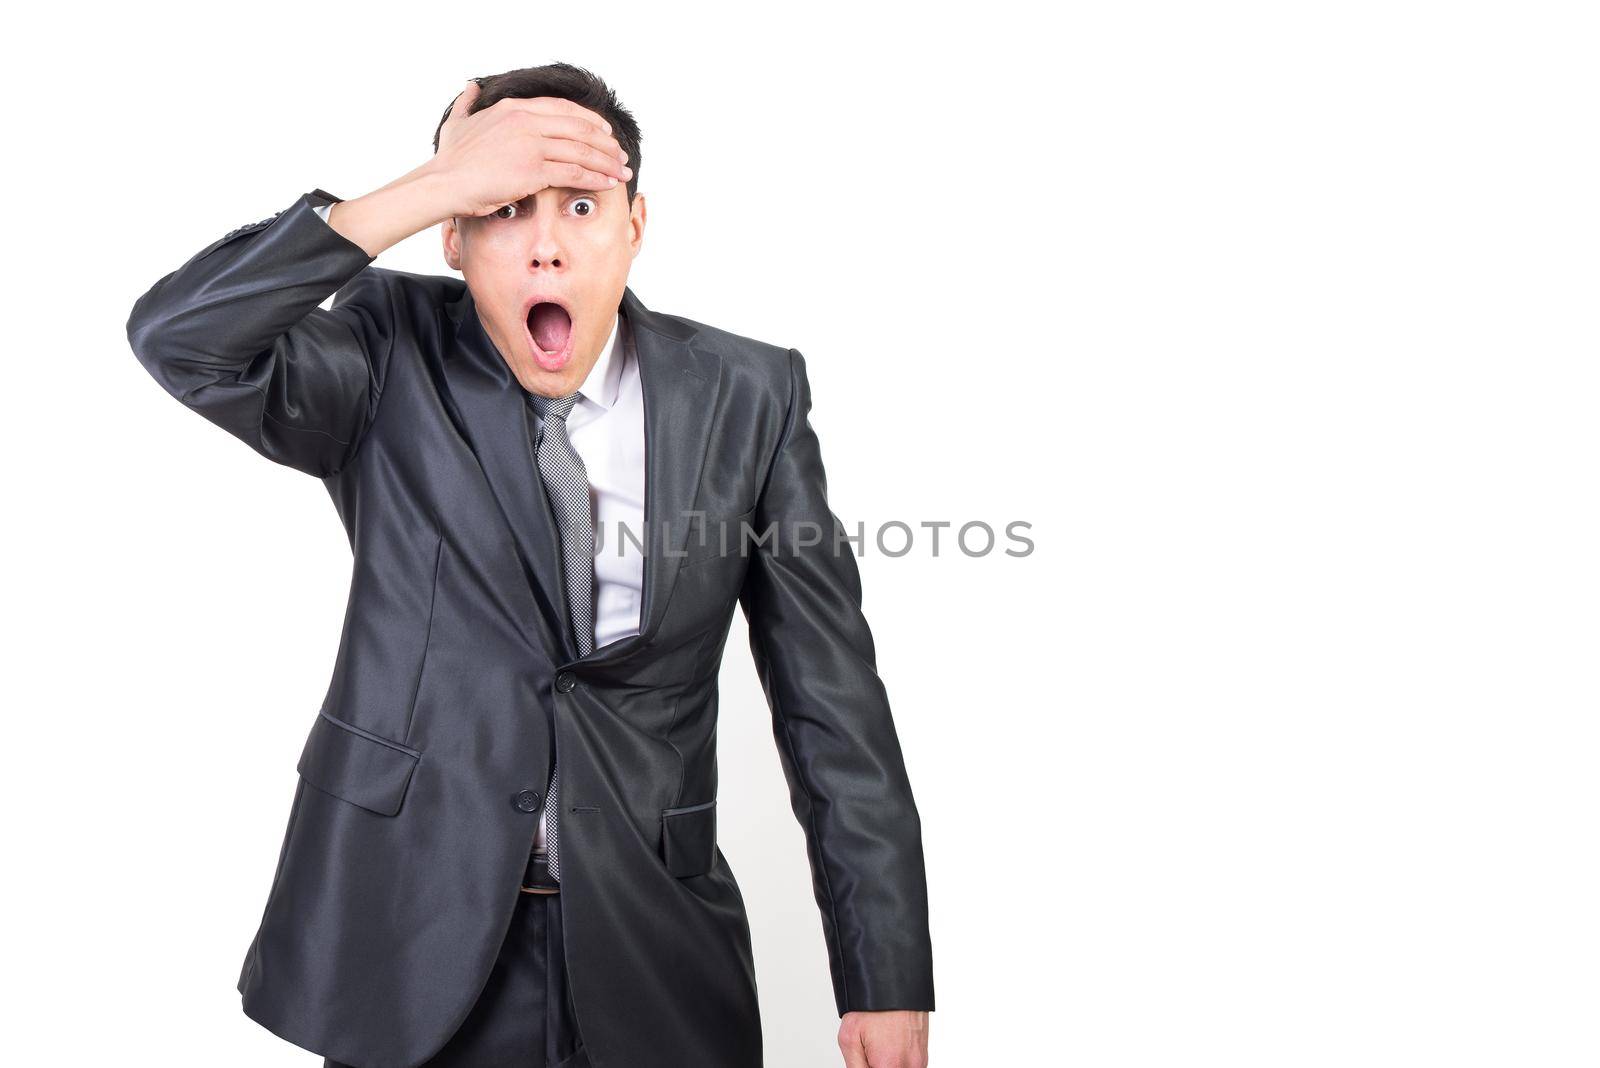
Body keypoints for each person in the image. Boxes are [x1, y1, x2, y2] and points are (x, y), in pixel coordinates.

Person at [126, 62, 933, 1068]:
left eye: (583, 205)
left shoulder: (748, 393)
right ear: (455, 236)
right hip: (410, 940)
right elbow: (182, 339)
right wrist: (421, 190)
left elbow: (833, 704)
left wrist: (883, 976)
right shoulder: (386, 350)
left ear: (635, 225)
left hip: (655, 948)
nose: (547, 245)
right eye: (503, 206)